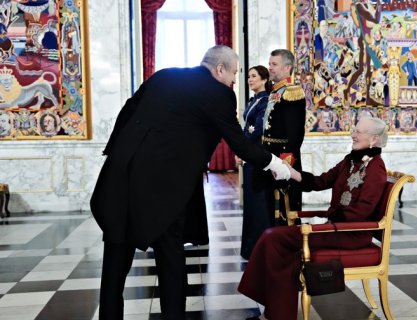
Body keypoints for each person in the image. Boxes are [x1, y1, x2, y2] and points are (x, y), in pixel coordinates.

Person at [90, 45, 292, 320]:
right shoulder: (219, 93)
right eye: (234, 72)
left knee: (115, 261)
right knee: (170, 260)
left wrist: (118, 155)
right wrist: (277, 165)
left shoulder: (165, 76)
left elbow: (128, 111)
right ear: (220, 69)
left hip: (120, 177)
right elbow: (239, 144)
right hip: (163, 189)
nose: (235, 79)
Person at [239, 116, 389, 320]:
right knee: (276, 242)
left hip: (350, 234)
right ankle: (277, 313)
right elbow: (320, 181)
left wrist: (326, 223)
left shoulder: (376, 168)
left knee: (273, 237)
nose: (352, 134)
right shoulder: (350, 161)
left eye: (359, 131)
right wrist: (291, 173)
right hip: (335, 228)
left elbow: (363, 211)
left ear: (374, 139)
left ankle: (274, 312)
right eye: (354, 129)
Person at [253, 49, 306, 227]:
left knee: (285, 210)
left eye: (274, 64)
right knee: (269, 209)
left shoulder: (292, 92)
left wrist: (285, 164)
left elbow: (295, 135)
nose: (270, 68)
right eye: (269, 64)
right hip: (270, 157)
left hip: (283, 159)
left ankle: (288, 250)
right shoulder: (276, 92)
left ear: (287, 67)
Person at [238, 65, 273, 259]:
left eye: (253, 76)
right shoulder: (254, 99)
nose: (250, 79)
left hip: (258, 154)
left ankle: (260, 248)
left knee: (258, 201)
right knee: (251, 201)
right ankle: (251, 247)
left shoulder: (266, 100)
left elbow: (258, 129)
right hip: (250, 153)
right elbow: (247, 127)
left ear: (264, 79)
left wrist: (242, 148)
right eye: (249, 76)